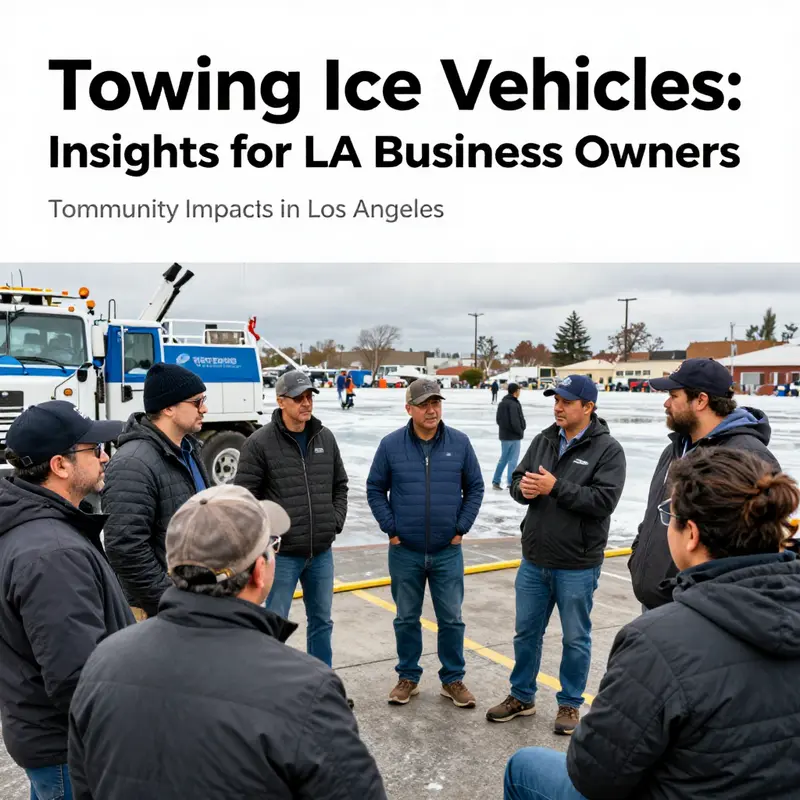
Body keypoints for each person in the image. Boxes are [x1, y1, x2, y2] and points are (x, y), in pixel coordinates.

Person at [504, 447, 800, 800]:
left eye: (668, 516)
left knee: (524, 767)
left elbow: (592, 773)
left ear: (691, 534)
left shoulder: (658, 641)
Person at [68, 484, 387, 799]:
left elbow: (85, 784)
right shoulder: (305, 689)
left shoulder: (103, 662)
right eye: (272, 545)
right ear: (259, 571)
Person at [0, 401, 133, 800]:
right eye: (94, 449)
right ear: (60, 464)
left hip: (51, 740)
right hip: (70, 749)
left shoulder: (38, 527)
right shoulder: (52, 553)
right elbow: (77, 676)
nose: (105, 456)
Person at [486, 375, 626, 734]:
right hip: (535, 558)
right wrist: (524, 490)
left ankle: (569, 705)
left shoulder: (608, 450)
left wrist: (555, 487)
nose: (558, 406)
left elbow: (603, 502)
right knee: (525, 633)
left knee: (575, 638)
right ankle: (522, 696)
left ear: (588, 407)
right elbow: (519, 479)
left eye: (566, 401)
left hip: (577, 563)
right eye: (556, 399)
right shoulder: (544, 439)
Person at [367, 378, 484, 707]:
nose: (432, 409)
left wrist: (462, 526)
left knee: (452, 618)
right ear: (409, 409)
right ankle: (408, 676)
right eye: (424, 404)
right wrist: (390, 528)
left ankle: (453, 679)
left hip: (448, 551)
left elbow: (475, 487)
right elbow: (375, 488)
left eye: (436, 403)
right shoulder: (391, 446)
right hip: (405, 550)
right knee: (406, 617)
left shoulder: (459, 443)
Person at [629, 357, 780, 611]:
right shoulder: (675, 449)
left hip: (702, 610)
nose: (666, 403)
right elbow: (655, 513)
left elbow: (756, 550)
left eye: (673, 395)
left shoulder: (746, 457)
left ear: (701, 400)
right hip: (657, 603)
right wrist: (639, 554)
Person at [235, 369, 348, 670]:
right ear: (281, 401)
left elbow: (340, 485)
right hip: (281, 556)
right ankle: (272, 687)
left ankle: (322, 681)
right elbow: (246, 500)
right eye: (299, 398)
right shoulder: (259, 444)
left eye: (309, 396)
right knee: (274, 623)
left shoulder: (325, 438)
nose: (306, 403)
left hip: (320, 553)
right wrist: (266, 540)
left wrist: (333, 521)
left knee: (322, 621)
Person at [103, 363, 210, 619]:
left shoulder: (188, 450)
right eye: (197, 402)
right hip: (155, 611)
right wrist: (171, 599)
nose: (204, 408)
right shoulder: (133, 463)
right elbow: (125, 548)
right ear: (169, 407)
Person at [492, 382, 526, 490]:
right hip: (514, 437)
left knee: (504, 459)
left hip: (504, 436)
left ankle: (496, 481)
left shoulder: (502, 403)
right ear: (516, 392)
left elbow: (498, 420)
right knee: (512, 460)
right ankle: (511, 483)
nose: (520, 392)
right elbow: (515, 421)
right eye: (519, 390)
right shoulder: (514, 404)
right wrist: (520, 431)